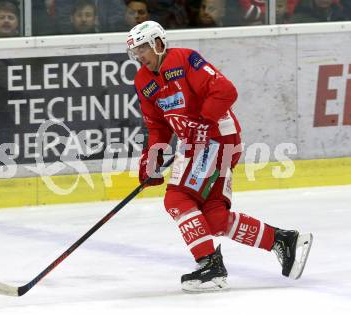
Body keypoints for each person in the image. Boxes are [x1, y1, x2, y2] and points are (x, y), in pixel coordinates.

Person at [126, 20, 313, 292]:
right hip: (198, 145)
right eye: (136, 51)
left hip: (217, 138)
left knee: (177, 199)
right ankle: (283, 241)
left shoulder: (185, 59)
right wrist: (151, 159)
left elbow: (226, 90)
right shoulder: (143, 81)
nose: (139, 56)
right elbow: (158, 126)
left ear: (158, 43)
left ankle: (210, 266)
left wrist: (204, 121)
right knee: (213, 218)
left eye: (143, 48)